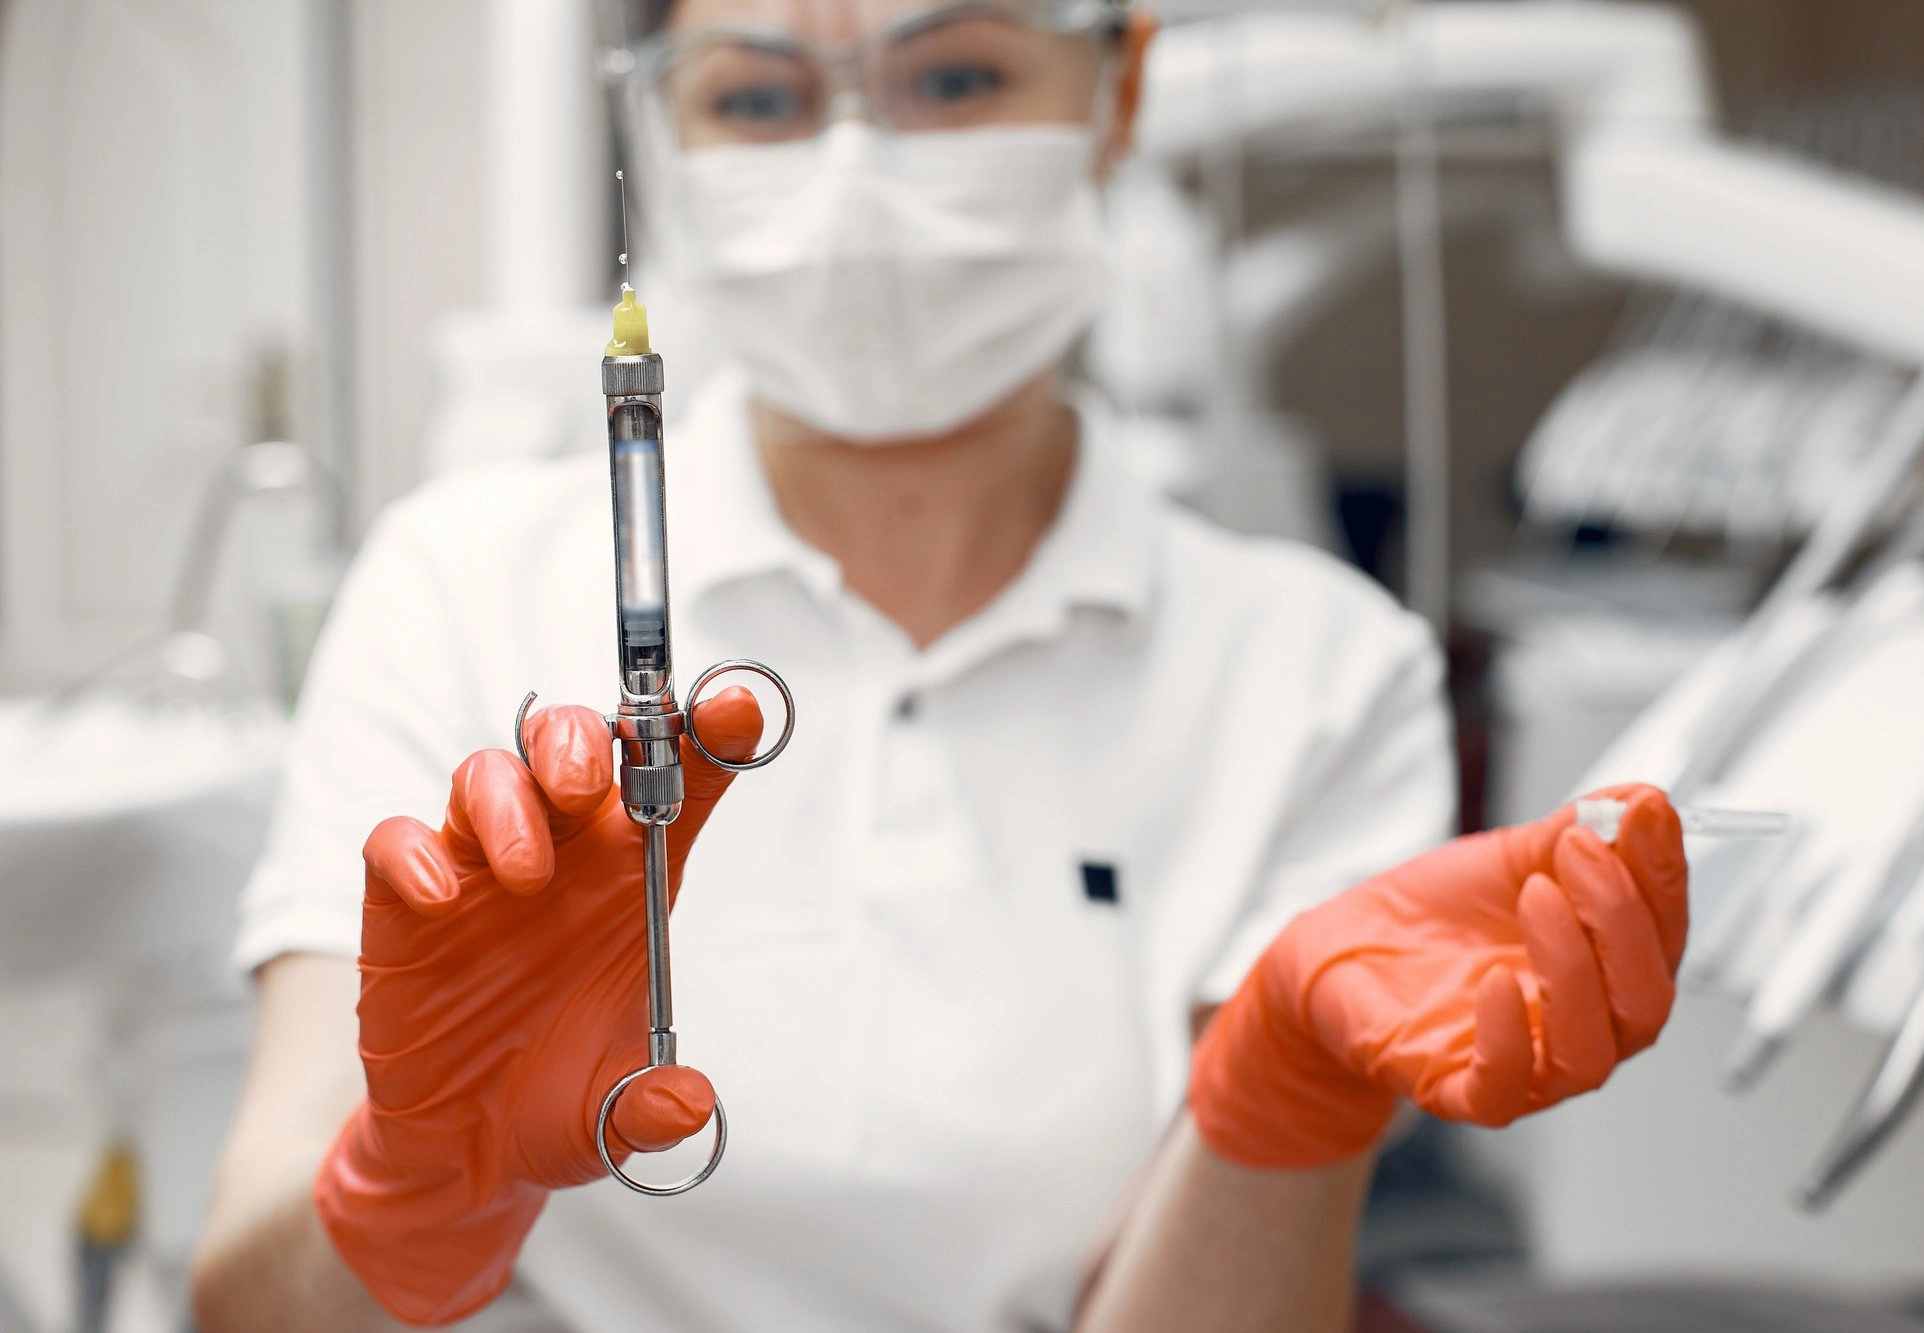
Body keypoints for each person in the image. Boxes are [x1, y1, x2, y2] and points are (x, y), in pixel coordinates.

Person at [189, 0, 1690, 1328]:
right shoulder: (462, 589)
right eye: (760, 98)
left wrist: (1283, 1087)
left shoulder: (1315, 674)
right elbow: (251, 1308)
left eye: (957, 77)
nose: (859, 173)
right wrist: (412, 1184)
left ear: (1119, 89)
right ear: (669, 121)